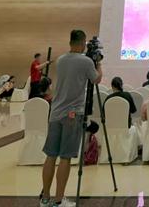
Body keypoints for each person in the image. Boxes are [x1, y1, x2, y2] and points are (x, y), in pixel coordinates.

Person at [39, 29, 102, 207]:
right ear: (82, 43)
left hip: (55, 113)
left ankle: (45, 198)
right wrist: (98, 63)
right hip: (72, 115)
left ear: (70, 42)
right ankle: (59, 200)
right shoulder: (86, 61)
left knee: (51, 155)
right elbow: (96, 79)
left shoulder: (60, 60)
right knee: (65, 157)